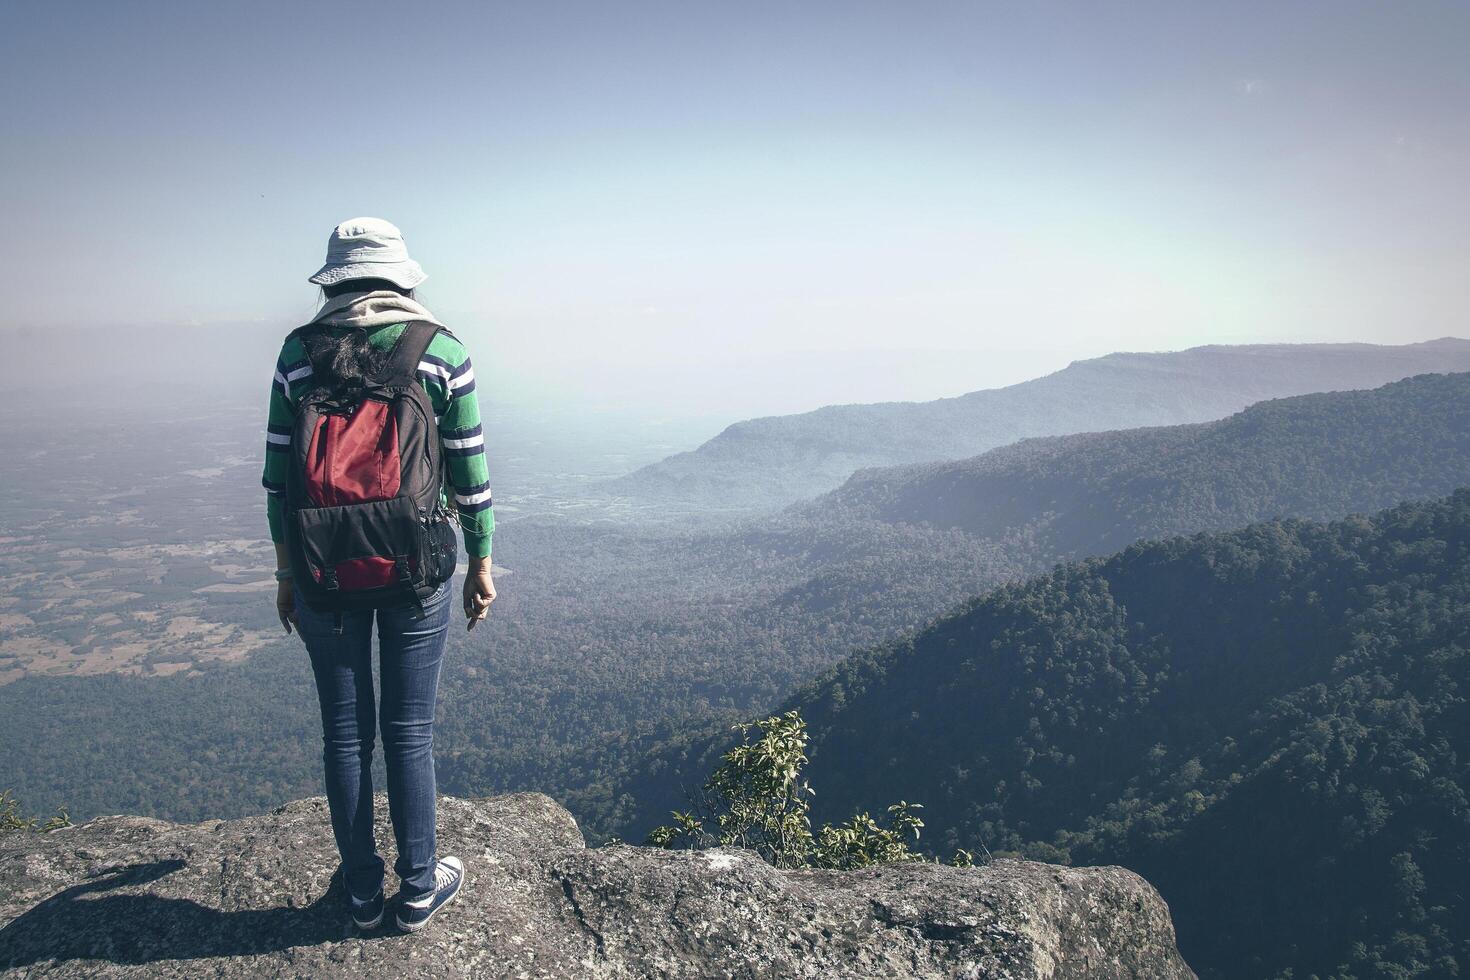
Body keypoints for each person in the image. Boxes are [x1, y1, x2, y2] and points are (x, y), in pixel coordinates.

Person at [261, 217, 497, 932]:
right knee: (409, 731)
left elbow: (278, 480)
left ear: (333, 280)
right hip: (416, 566)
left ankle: (361, 896)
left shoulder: (298, 355)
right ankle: (419, 888)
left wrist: (285, 572)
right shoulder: (441, 349)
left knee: (344, 732)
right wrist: (480, 562)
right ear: (403, 275)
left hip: (321, 570)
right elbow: (471, 473)